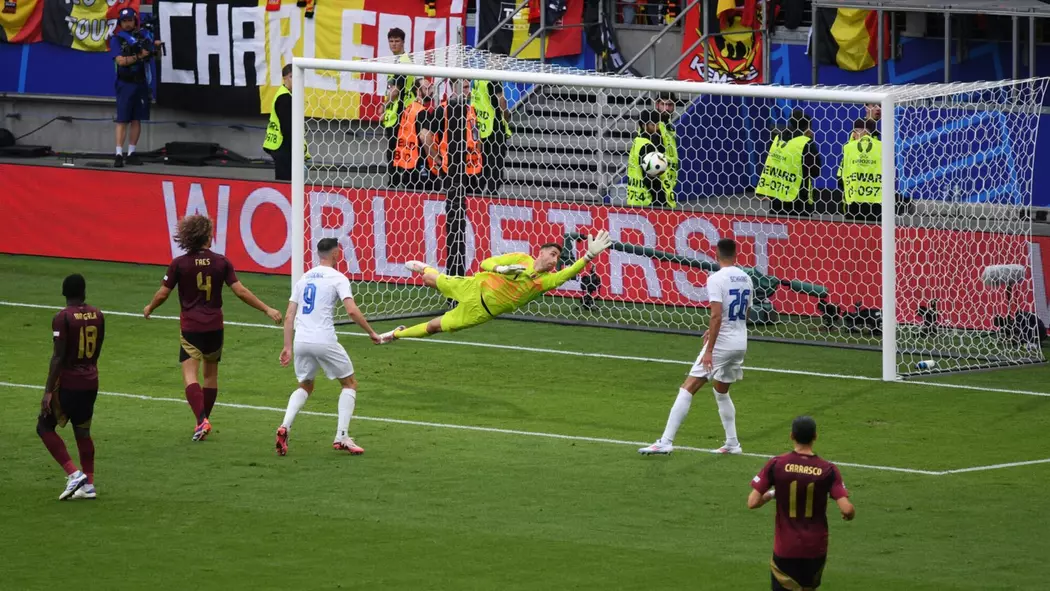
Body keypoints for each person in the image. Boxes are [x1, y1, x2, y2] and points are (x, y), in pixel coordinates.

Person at [143, 215, 283, 441]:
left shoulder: (179, 264)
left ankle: (201, 420)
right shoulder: (221, 262)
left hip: (191, 327)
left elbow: (163, 293)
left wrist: (150, 307)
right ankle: (203, 421)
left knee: (190, 374)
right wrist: (267, 309)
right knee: (210, 376)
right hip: (215, 327)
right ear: (207, 236)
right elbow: (240, 291)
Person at [377, 232, 613, 342]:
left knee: (434, 327)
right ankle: (428, 269)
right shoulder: (520, 258)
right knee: (429, 280)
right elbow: (486, 263)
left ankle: (395, 334)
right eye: (552, 254)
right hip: (474, 286)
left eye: (557, 258)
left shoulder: (544, 282)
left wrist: (588, 257)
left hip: (480, 311)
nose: (554, 260)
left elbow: (566, 274)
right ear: (540, 252)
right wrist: (502, 269)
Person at [639, 238, 753, 455]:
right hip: (741, 341)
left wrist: (709, 350)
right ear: (736, 255)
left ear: (716, 255)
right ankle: (732, 444)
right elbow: (746, 312)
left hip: (722, 343)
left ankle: (665, 441)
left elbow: (716, 315)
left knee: (688, 387)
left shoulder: (716, 279)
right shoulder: (747, 278)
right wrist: (723, 329)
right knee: (721, 391)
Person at [276, 238, 382, 456]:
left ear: (318, 254)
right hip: (323, 339)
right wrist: (371, 332)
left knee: (305, 385)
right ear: (335, 254)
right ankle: (342, 436)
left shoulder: (304, 278)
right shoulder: (338, 278)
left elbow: (289, 316)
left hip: (301, 340)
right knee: (349, 384)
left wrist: (287, 346)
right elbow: (351, 311)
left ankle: (285, 425)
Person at [748, 416, 856, 590]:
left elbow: (752, 502)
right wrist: (848, 515)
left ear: (792, 435)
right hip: (815, 548)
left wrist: (773, 493)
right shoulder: (828, 469)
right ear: (815, 436)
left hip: (786, 548)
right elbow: (847, 509)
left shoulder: (777, 464)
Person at [38, 274, 105, 501]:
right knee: (83, 431)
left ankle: (74, 473)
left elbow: (58, 357)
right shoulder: (98, 315)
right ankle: (89, 485)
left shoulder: (63, 317)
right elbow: (98, 349)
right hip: (91, 381)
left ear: (64, 293)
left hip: (69, 382)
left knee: (44, 426)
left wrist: (48, 391)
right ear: (83, 292)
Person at [109, 7, 161, 169]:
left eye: (130, 20)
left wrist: (156, 47)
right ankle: (118, 154)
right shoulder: (117, 39)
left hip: (141, 82)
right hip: (125, 83)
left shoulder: (143, 36)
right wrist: (139, 56)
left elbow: (156, 57)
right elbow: (120, 61)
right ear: (120, 23)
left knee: (136, 119)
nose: (127, 24)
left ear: (135, 21)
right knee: (122, 119)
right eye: (124, 21)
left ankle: (131, 153)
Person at [756, 109, 821, 217]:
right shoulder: (806, 144)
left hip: (776, 200)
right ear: (807, 127)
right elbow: (815, 172)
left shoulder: (777, 139)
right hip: (799, 201)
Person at [391, 78, 437, 191]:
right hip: (421, 164)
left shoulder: (410, 108)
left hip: (408, 162)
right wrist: (436, 158)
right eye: (426, 88)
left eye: (430, 87)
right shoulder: (422, 112)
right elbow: (424, 136)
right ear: (418, 91)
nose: (431, 91)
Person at [381, 28, 415, 178]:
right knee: (398, 148)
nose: (394, 44)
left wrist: (383, 106)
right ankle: (400, 180)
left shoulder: (403, 62)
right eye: (391, 41)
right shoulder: (398, 60)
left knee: (394, 149)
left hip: (400, 113)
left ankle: (394, 182)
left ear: (403, 42)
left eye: (397, 41)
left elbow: (395, 91)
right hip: (397, 113)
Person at [626, 110, 674, 208]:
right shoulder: (647, 146)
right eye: (653, 124)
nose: (657, 127)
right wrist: (661, 199)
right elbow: (650, 177)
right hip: (648, 201)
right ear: (644, 125)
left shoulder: (638, 142)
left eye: (658, 124)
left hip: (635, 199)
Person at [472, 78, 512, 194]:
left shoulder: (477, 80)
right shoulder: (494, 79)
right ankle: (491, 194)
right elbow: (502, 102)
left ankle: (478, 192)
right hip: (494, 128)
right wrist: (506, 118)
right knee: (496, 165)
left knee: (483, 163)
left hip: (481, 128)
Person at [838, 118, 882, 222]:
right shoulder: (882, 147)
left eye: (856, 131)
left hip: (853, 202)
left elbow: (840, 176)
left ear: (865, 132)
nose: (853, 135)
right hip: (877, 203)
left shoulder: (849, 148)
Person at [263, 64, 294, 181]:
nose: (296, 80)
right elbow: (287, 127)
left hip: (279, 145)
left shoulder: (284, 93)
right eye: (292, 76)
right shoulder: (285, 97)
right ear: (285, 78)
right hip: (282, 146)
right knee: (285, 182)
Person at [655, 92, 679, 204]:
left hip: (668, 183)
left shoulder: (668, 126)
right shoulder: (653, 126)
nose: (666, 108)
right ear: (657, 105)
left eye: (669, 105)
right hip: (657, 184)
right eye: (663, 104)